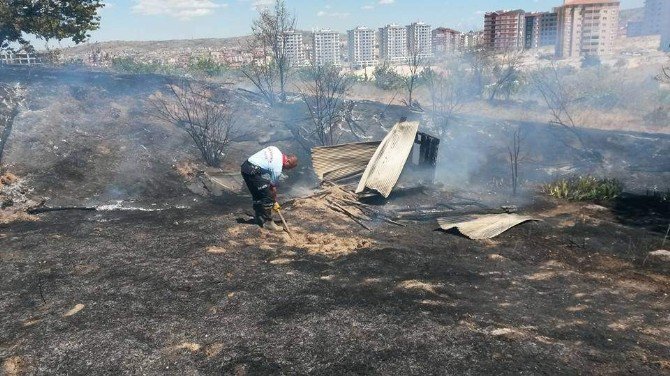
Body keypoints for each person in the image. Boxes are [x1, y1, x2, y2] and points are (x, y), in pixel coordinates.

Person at [240, 146, 298, 230]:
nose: (288, 170)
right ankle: (268, 222)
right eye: (289, 167)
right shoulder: (277, 169)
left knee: (257, 194)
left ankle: (259, 218)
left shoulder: (275, 149)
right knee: (267, 194)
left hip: (245, 167)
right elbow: (272, 188)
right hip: (252, 172)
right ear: (287, 161)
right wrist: (274, 201)